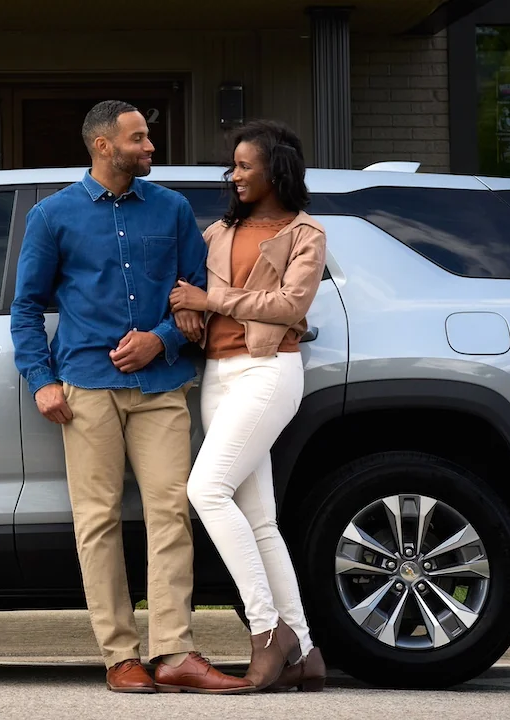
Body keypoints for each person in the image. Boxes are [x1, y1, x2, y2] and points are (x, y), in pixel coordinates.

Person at [12, 100, 251, 695]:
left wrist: (159, 340)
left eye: (148, 136)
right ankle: (121, 655)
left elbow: (194, 295)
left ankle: (174, 650)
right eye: (139, 138)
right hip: (86, 388)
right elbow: (26, 309)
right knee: (97, 523)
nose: (150, 147)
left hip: (160, 386)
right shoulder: (52, 216)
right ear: (102, 145)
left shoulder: (171, 210)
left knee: (171, 512)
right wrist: (40, 380)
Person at [167, 119, 327, 693]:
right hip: (219, 373)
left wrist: (211, 299)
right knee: (260, 519)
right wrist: (187, 309)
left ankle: (266, 632)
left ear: (275, 170)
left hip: (268, 371)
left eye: (244, 166)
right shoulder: (216, 233)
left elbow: (288, 305)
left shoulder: (305, 233)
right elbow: (185, 289)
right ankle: (305, 651)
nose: (233, 175)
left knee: (205, 490)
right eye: (231, 166)